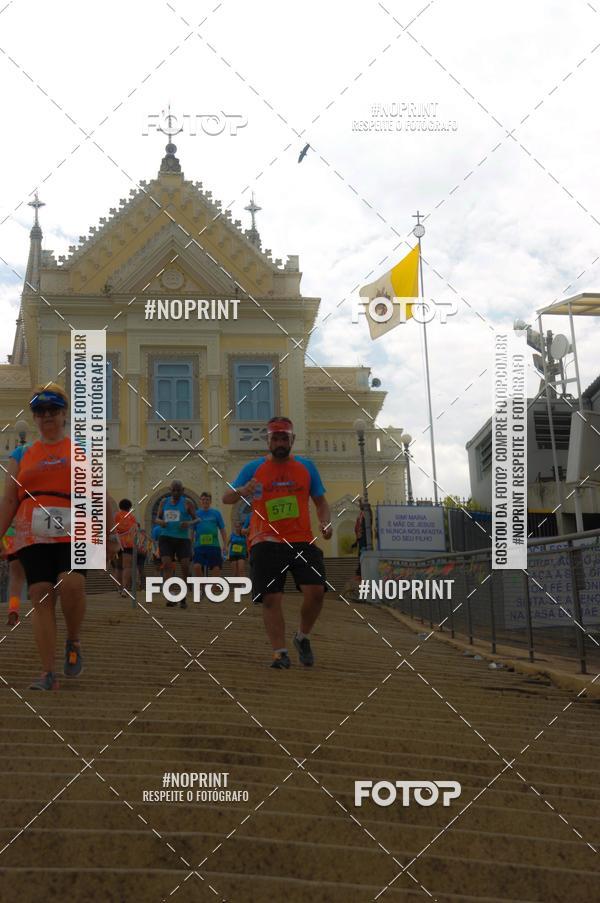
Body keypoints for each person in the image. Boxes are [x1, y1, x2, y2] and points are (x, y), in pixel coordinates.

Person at [0, 383, 118, 689]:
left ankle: (74, 639)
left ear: (64, 414)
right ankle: (47, 672)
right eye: (40, 411)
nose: (46, 416)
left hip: (76, 526)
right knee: (39, 594)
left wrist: (110, 535)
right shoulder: (21, 453)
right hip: (32, 530)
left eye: (53, 410)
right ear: (34, 417)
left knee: (73, 583)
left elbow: (100, 495)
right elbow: (10, 499)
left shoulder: (80, 450)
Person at [223, 416, 332, 669]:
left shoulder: (307, 468)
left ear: (292, 440)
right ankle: (280, 652)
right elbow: (227, 497)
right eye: (276, 438)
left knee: (316, 593)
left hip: (302, 540)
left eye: (285, 437)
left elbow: (321, 503)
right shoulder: (253, 468)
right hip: (265, 540)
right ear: (268, 441)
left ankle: (302, 637)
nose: (280, 442)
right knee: (272, 598)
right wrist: (243, 490)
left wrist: (325, 524)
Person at [154, 480, 196, 609]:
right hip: (166, 537)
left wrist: (188, 524)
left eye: (179, 490)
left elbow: (197, 519)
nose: (176, 492)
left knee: (185, 567)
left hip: (182, 539)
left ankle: (183, 596)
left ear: (183, 491)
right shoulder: (163, 502)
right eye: (174, 490)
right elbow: (156, 518)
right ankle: (171, 596)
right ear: (170, 490)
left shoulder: (188, 503)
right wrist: (161, 522)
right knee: (167, 565)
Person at [191, 492, 227, 583]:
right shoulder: (196, 514)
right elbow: (191, 531)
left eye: (207, 500)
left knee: (216, 567)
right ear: (200, 501)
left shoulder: (216, 513)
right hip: (199, 546)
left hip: (214, 546)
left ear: (210, 501)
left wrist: (225, 545)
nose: (205, 501)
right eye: (203, 499)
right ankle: (202, 586)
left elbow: (222, 530)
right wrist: (190, 546)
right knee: (196, 566)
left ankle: (213, 589)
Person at [114, 498, 136, 597]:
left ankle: (119, 588)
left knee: (118, 567)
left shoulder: (116, 516)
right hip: (128, 543)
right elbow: (134, 531)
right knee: (127, 567)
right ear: (129, 507)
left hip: (116, 543)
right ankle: (125, 589)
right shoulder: (131, 517)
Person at [228, 512, 250, 579]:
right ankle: (235, 586)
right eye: (236, 527)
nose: (237, 528)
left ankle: (243, 585)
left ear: (241, 527)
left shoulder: (244, 536)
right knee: (234, 573)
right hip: (233, 555)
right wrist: (225, 551)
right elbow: (226, 544)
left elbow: (247, 545)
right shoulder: (232, 535)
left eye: (239, 527)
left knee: (241, 570)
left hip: (241, 554)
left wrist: (248, 554)